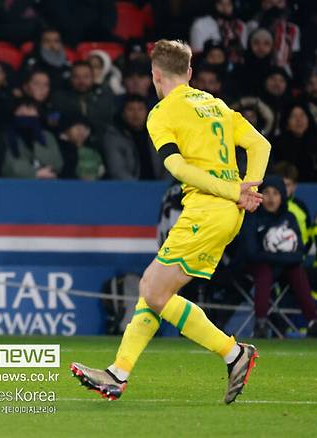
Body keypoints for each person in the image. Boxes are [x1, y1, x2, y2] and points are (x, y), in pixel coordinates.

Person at [70, 40, 271, 404]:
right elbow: (261, 145)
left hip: (208, 209)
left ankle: (233, 352)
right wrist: (249, 188)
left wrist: (234, 191)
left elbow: (177, 167)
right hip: (226, 213)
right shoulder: (216, 104)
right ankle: (118, 373)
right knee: (156, 291)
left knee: (152, 289)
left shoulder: (162, 112)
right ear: (189, 72)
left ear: (155, 75)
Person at [239, 175, 317, 338]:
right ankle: (260, 324)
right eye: (266, 193)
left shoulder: (290, 217)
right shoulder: (252, 216)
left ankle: (313, 321)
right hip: (256, 267)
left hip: (283, 266)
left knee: (297, 269)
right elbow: (251, 254)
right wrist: (282, 257)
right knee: (264, 270)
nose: (271, 198)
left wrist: (274, 257)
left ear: (282, 195)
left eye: (275, 193)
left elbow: (299, 254)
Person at [102, 94, 165, 180]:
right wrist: (135, 187)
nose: (136, 114)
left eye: (140, 109)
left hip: (161, 186)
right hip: (128, 187)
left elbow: (169, 165)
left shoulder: (158, 132)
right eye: (130, 109)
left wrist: (165, 185)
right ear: (123, 113)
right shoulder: (113, 136)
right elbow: (117, 170)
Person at [2, 99, 63, 179]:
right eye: (21, 112)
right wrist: (36, 173)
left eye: (30, 110)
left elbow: (57, 164)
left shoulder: (47, 136)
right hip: (17, 183)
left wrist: (37, 139)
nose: (25, 113)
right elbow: (10, 166)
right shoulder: (8, 136)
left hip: (48, 181)